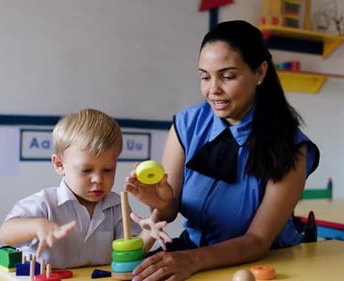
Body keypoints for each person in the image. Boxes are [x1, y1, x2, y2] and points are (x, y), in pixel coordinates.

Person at [125, 20, 320, 281]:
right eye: (205, 77)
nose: (212, 90)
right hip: (192, 255)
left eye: (227, 76)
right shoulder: (186, 125)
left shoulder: (292, 147)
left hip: (266, 266)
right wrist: (161, 202)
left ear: (260, 72)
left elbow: (258, 240)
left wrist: (192, 260)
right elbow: (169, 211)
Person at [0, 108, 161, 269]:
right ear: (59, 165)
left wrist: (150, 232)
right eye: (86, 170)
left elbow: (129, 254)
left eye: (108, 170)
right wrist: (38, 226)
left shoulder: (117, 205)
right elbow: (5, 232)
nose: (98, 179)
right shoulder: (45, 203)